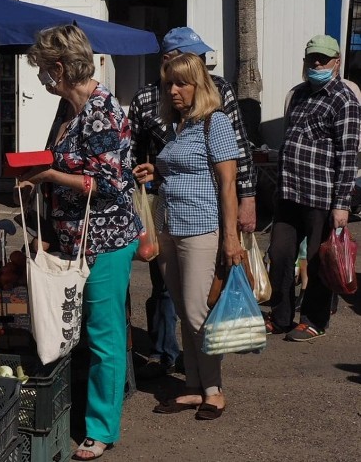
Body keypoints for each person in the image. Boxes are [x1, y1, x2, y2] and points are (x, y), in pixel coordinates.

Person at [17, 24, 140, 460]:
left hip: (106, 239)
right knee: (73, 329)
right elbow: (62, 162)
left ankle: (102, 428)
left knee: (103, 335)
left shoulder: (103, 110)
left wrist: (49, 176)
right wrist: (39, 183)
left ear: (60, 68)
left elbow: (108, 184)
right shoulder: (68, 109)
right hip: (73, 238)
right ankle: (78, 412)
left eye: (43, 71)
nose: (41, 79)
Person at [128, 26, 257, 378]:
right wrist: (153, 170)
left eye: (183, 82)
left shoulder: (215, 113)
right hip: (168, 220)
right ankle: (181, 370)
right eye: (171, 83)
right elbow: (167, 160)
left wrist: (235, 226)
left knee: (199, 307)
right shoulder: (165, 115)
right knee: (177, 303)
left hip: (201, 223)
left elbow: (231, 172)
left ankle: (211, 386)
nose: (174, 90)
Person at [264, 35, 360, 340]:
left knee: (320, 261)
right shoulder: (299, 94)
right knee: (279, 254)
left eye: (323, 58)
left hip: (322, 195)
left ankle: (314, 320)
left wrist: (342, 204)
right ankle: (280, 316)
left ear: (337, 62)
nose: (316, 63)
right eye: (311, 58)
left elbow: (348, 154)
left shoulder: (344, 99)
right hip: (289, 192)